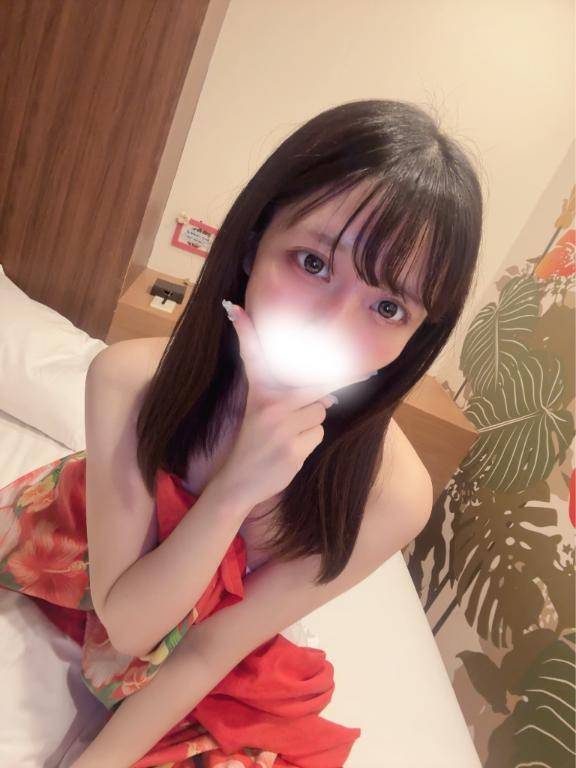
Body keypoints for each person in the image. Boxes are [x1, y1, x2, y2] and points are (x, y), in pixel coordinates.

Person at [0, 99, 483, 767]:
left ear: (416, 337)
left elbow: (207, 650)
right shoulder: (128, 381)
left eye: (387, 305)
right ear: (254, 244)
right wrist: (236, 488)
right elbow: (131, 626)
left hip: (211, 640)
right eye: (313, 263)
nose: (332, 325)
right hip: (105, 553)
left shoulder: (392, 496)